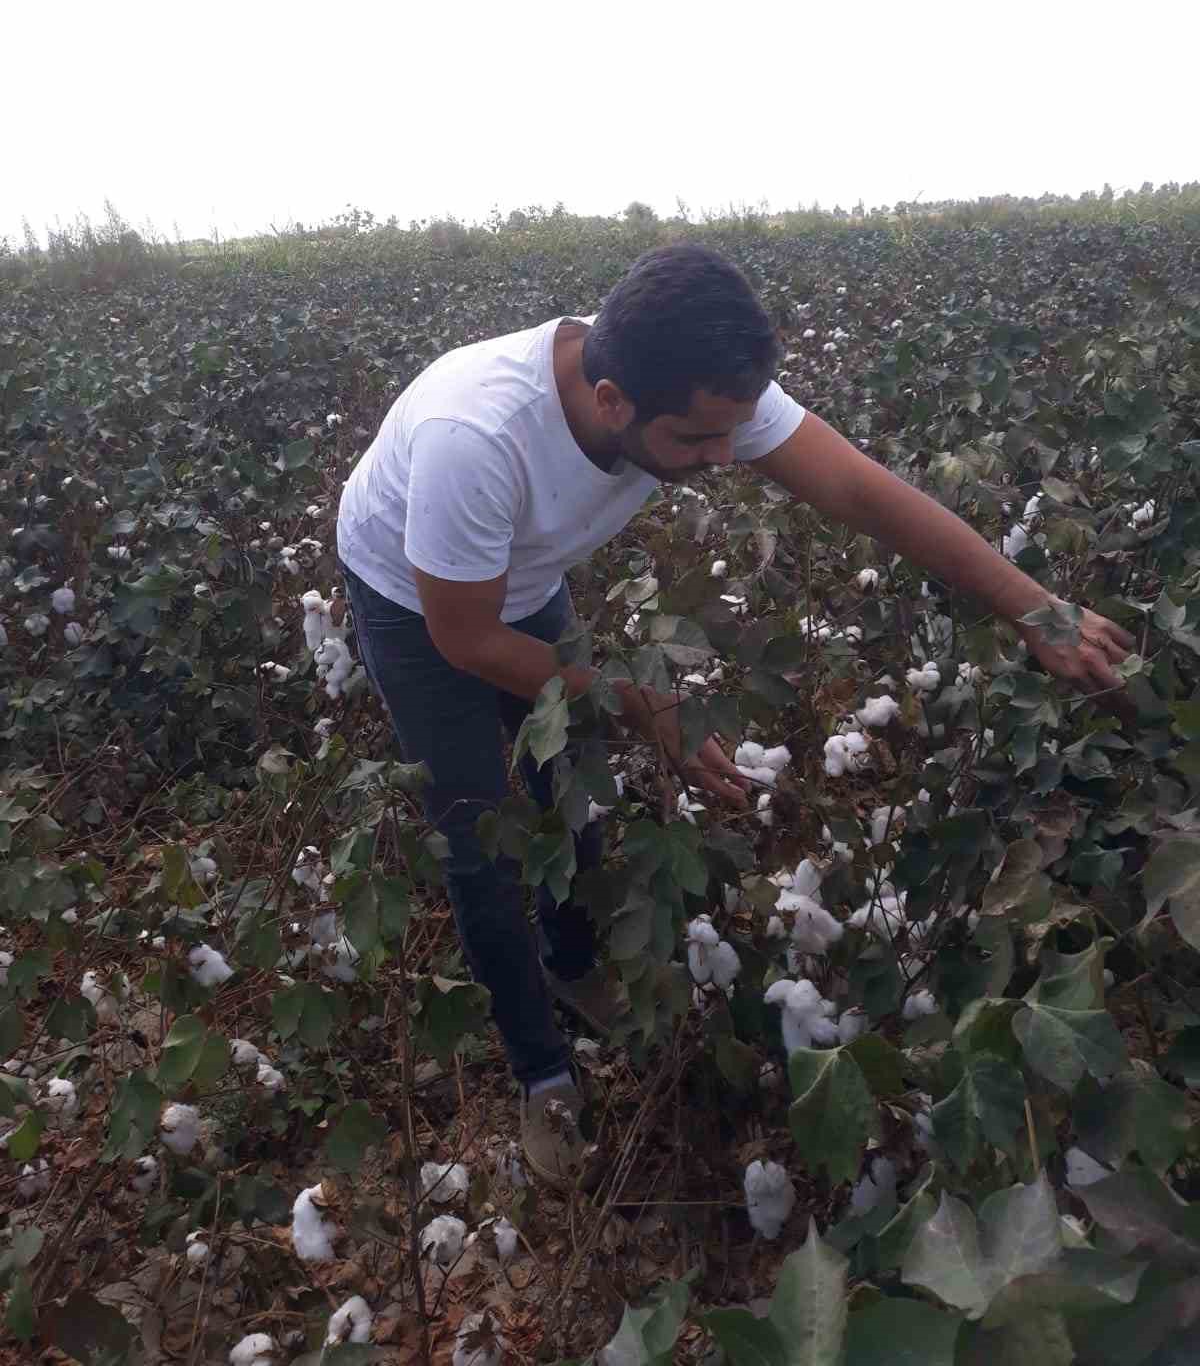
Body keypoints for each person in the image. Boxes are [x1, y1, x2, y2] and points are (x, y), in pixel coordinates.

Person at [336, 243, 1132, 1187]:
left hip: (524, 577)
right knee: (478, 837)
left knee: (569, 788)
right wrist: (646, 705)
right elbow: (465, 636)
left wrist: (1034, 607)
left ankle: (575, 961)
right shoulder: (477, 437)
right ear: (610, 404)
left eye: (733, 435)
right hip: (416, 598)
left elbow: (858, 489)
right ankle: (541, 1074)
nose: (724, 461)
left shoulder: (692, 382)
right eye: (697, 443)